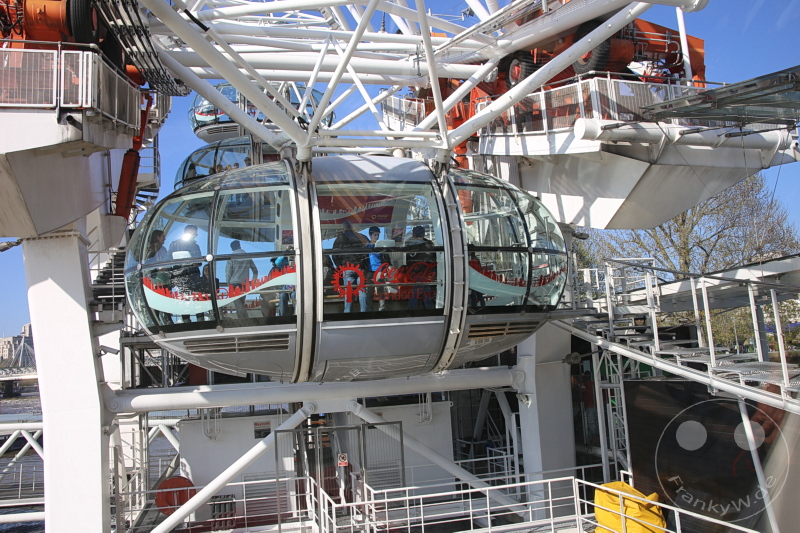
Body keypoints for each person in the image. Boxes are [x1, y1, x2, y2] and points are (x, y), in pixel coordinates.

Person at [332, 220, 369, 313]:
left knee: (348, 291)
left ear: (343, 228)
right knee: (362, 290)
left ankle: (347, 312)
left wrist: (341, 267)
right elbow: (368, 252)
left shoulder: (339, 239)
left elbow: (334, 255)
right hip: (360, 267)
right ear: (352, 227)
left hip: (347, 267)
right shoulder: (361, 237)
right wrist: (364, 265)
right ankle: (363, 312)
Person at [168, 225, 202, 323]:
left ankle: (200, 318)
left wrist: (195, 262)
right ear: (186, 232)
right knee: (184, 298)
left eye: (195, 233)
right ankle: (186, 319)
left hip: (192, 274)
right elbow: (169, 259)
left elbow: (199, 261)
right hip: (180, 275)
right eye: (192, 232)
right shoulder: (175, 244)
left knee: (196, 297)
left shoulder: (196, 246)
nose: (194, 235)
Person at [405, 225, 436, 310]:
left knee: (419, 290)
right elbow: (433, 258)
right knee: (425, 291)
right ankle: (428, 307)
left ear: (413, 235)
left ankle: (414, 308)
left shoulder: (409, 245)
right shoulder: (428, 244)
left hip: (414, 272)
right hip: (426, 271)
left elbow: (408, 260)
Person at [226, 241, 258, 320]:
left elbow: (228, 272)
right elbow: (255, 270)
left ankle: (244, 321)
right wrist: (253, 280)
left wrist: (228, 282)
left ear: (232, 248)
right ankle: (244, 320)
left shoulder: (231, 257)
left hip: (233, 283)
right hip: (244, 283)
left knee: (238, 305)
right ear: (239, 246)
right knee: (241, 304)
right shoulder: (247, 256)